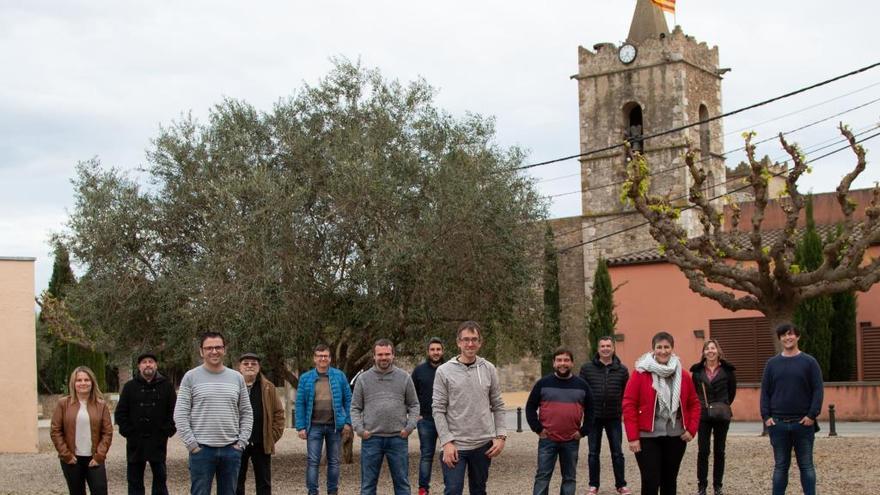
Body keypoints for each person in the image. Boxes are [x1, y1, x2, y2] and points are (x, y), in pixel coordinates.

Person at [174, 331, 253, 495]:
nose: (214, 351)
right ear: (201, 351)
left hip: (231, 450)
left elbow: (246, 412)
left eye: (218, 347)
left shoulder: (237, 378)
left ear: (224, 350)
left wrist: (241, 443)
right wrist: (192, 445)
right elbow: (180, 414)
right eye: (209, 348)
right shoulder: (190, 377)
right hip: (202, 451)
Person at [432, 321, 506, 495]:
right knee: (452, 490)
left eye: (474, 339)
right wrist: (446, 442)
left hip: (483, 445)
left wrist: (501, 436)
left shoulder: (489, 369)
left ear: (480, 342)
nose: (470, 344)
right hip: (455, 446)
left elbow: (498, 404)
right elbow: (438, 409)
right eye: (466, 340)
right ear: (458, 342)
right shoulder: (444, 371)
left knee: (479, 490)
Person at [622, 331, 700, 495]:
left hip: (675, 436)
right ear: (653, 349)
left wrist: (691, 429)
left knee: (669, 481)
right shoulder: (640, 373)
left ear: (672, 349)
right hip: (647, 436)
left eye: (667, 347)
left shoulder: (683, 375)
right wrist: (633, 437)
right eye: (659, 347)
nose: (663, 351)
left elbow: (694, 403)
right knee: (650, 480)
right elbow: (629, 404)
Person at [760, 323, 823, 495]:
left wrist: (812, 415)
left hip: (803, 424)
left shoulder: (810, 362)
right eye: (784, 335)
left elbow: (818, 390)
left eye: (791, 334)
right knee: (780, 466)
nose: (788, 338)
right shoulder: (772, 364)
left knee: (806, 466)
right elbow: (765, 391)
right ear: (780, 339)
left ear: (798, 337)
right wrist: (766, 416)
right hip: (778, 424)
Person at [351, 339, 420, 495]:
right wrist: (360, 430)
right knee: (368, 486)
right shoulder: (363, 379)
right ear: (374, 356)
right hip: (371, 439)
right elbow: (355, 407)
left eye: (387, 354)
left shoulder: (404, 377)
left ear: (393, 355)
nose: (384, 358)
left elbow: (414, 405)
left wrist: (409, 427)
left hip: (398, 438)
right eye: (380, 354)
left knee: (402, 484)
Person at [526, 347, 594, 495]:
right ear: (553, 363)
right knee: (543, 476)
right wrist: (538, 428)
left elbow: (591, 411)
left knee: (569, 478)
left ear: (572, 363)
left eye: (566, 360)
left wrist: (583, 432)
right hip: (547, 439)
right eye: (559, 360)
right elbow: (530, 407)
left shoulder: (582, 385)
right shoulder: (543, 383)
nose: (562, 363)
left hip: (571, 440)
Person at [115, 352, 177, 495]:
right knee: (134, 480)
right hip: (135, 442)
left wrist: (167, 431)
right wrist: (128, 432)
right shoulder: (129, 387)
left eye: (151, 362)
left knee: (160, 479)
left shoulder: (167, 386)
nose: (147, 364)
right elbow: (120, 413)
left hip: (158, 440)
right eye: (144, 362)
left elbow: (174, 411)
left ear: (156, 365)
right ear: (139, 366)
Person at [295, 344, 353, 495]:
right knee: (313, 462)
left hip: (335, 426)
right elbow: (300, 403)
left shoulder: (339, 376)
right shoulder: (305, 378)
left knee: (334, 462)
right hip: (313, 426)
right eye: (320, 356)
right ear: (314, 358)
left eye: (325, 356)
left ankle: (332, 491)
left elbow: (348, 400)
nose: (322, 358)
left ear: (330, 358)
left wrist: (347, 421)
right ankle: (312, 491)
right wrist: (300, 426)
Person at [579, 336, 632, 495]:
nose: (605, 349)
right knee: (593, 453)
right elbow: (582, 393)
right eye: (602, 346)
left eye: (608, 346)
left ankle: (621, 485)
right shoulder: (587, 369)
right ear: (598, 349)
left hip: (614, 417)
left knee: (617, 453)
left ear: (613, 348)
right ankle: (593, 485)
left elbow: (626, 394)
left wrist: (623, 412)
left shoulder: (622, 370)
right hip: (593, 417)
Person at [50, 366, 113, 495]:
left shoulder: (101, 405)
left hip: (94, 458)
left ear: (92, 382)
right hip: (72, 459)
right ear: (73, 383)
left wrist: (100, 455)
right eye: (79, 380)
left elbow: (107, 432)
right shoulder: (63, 404)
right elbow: (55, 430)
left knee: (100, 491)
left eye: (86, 380)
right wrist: (66, 455)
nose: (83, 383)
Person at [690, 339, 737, 495]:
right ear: (703, 352)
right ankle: (702, 486)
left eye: (713, 348)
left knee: (719, 451)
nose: (710, 351)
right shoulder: (697, 372)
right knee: (703, 451)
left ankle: (718, 486)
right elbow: (694, 392)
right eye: (707, 349)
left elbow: (732, 393)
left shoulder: (728, 371)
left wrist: (721, 405)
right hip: (703, 414)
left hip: (721, 414)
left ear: (718, 351)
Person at [236, 353, 285, 495]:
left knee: (264, 483)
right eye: (246, 363)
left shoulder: (268, 387)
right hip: (237, 443)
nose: (250, 366)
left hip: (261, 443)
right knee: (236, 481)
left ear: (259, 367)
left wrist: (272, 436)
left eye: (253, 363)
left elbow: (279, 414)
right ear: (240, 367)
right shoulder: (233, 386)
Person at [411, 337, 445, 495]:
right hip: (426, 421)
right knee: (426, 455)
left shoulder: (450, 368)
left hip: (447, 420)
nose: (435, 352)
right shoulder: (419, 371)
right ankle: (423, 489)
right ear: (428, 352)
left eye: (438, 349)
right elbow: (411, 395)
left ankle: (450, 486)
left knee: (449, 454)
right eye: (432, 350)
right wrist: (416, 414)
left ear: (442, 351)